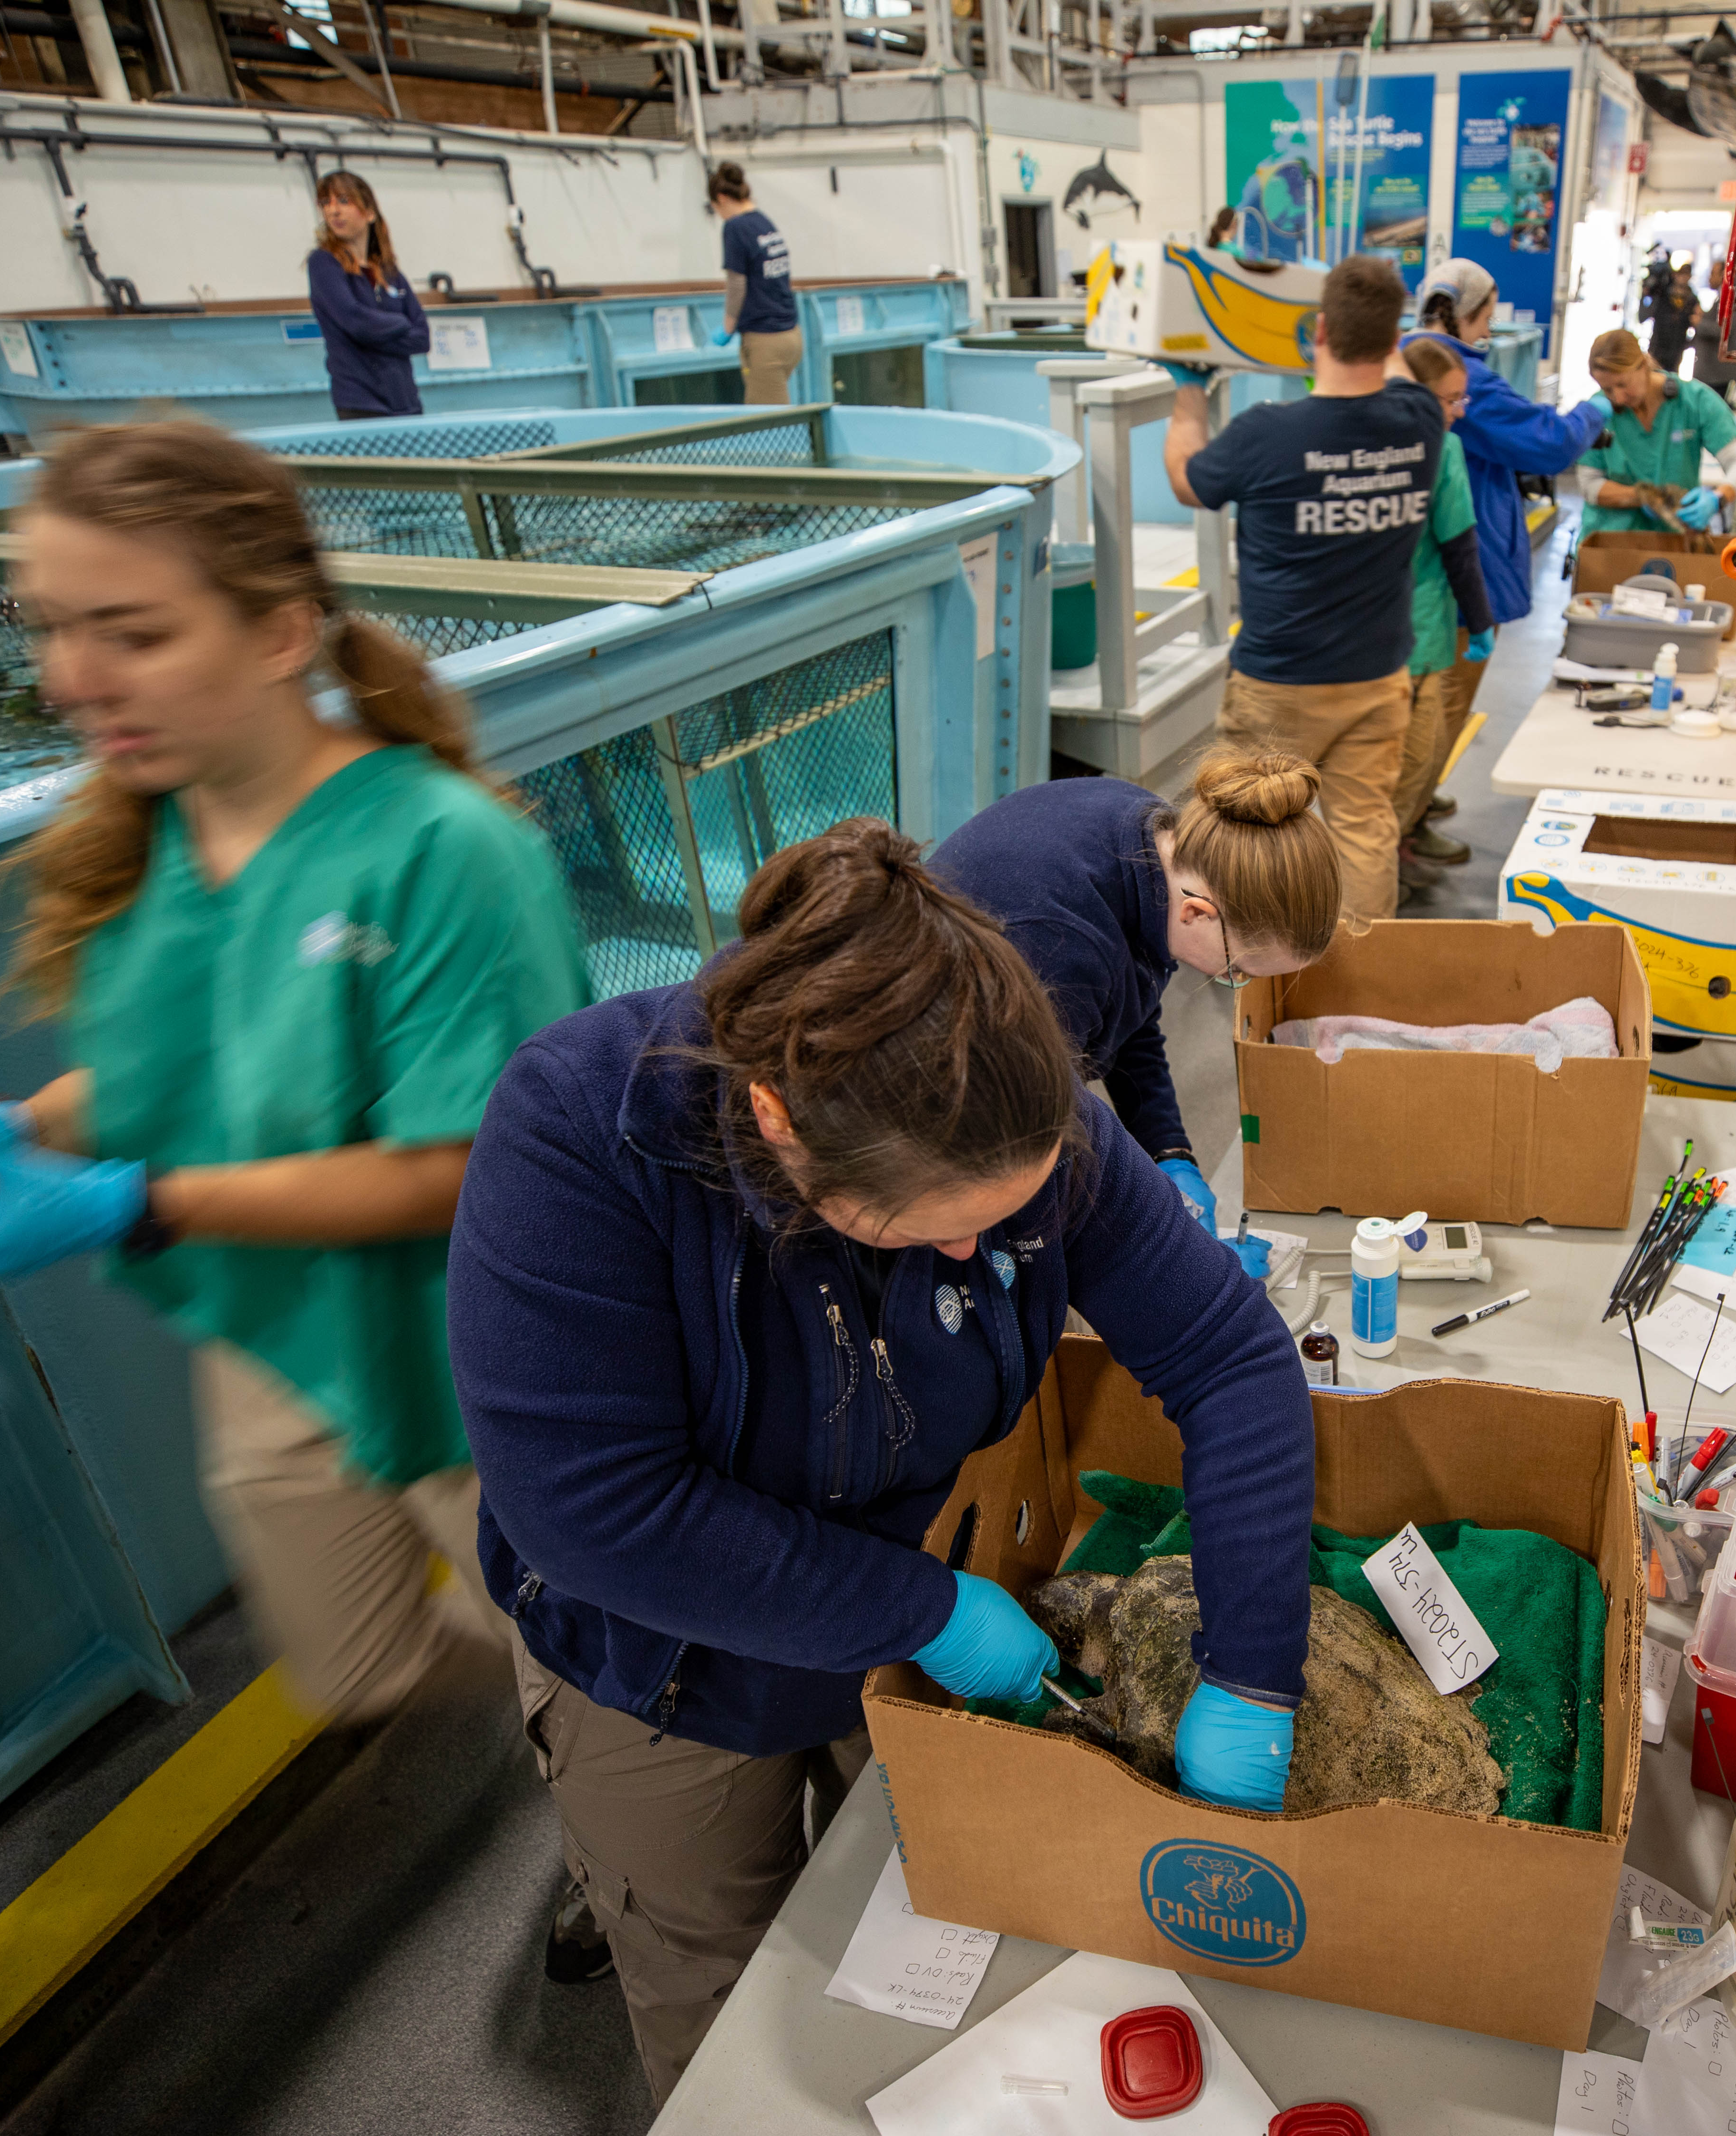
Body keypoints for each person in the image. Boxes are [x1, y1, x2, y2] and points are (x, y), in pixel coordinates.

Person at [0, 421, 597, 1948]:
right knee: (348, 1660)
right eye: (51, 629)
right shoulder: (151, 826)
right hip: (279, 1329)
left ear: (280, 630)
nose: (72, 678)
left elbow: (465, 1163)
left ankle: (606, 1788)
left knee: (570, 1642)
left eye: (129, 631)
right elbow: (187, 1061)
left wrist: (135, 1204)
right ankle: (581, 1714)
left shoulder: (443, 850)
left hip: (480, 1354)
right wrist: (13, 1130)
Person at [446, 822, 1316, 2100]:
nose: (982, 1261)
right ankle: (613, 1889)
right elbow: (595, 1512)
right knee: (724, 1988)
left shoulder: (1028, 1114)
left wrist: (1255, 1673)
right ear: (776, 1129)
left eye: (1013, 1221)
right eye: (938, 1235)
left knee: (940, 1946)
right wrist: (921, 1610)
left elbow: (1233, 1364)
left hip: (906, 1573)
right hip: (668, 1653)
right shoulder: (578, 1135)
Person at [927, 753, 1340, 1228]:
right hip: (937, 1094)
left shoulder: (1158, 842)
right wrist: (1182, 1250)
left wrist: (1170, 1151)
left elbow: (1130, 1011)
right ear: (1197, 914)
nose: (1235, 981)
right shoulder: (1060, 948)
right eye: (1236, 970)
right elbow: (1043, 1134)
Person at [1162, 254, 1450, 926]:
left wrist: (1189, 391)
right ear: (1390, 338)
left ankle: (1244, 956)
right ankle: (1358, 966)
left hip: (1281, 682)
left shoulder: (1266, 434)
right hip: (1377, 679)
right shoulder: (1420, 420)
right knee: (1364, 831)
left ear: (1316, 331)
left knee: (1246, 834)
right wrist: (1379, 327)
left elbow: (1186, 480)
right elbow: (1400, 365)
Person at [1405, 257, 1608, 661]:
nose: (1488, 331)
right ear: (1463, 315)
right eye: (1486, 318)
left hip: (1411, 572)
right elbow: (1548, 443)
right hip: (1462, 577)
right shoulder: (1463, 378)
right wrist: (1596, 409)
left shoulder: (1398, 361)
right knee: (1443, 711)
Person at [1389, 338, 1497, 897]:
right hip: (1422, 638)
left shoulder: (1369, 443)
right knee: (1417, 761)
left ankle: (1390, 851)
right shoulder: (1443, 451)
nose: (1461, 410)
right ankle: (1382, 866)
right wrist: (1480, 623)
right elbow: (1459, 546)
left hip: (1368, 639)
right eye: (1452, 399)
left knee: (1378, 768)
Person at [1576, 326, 1736, 538]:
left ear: (1643, 364)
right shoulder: (1598, 411)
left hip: (1673, 539)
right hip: (1608, 538)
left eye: (1622, 384)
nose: (1618, 398)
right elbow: (1589, 484)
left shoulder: (1695, 401)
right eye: (1607, 389)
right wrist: (1644, 498)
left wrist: (1718, 498)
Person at [305, 172, 430, 421]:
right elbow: (355, 322)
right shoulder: (324, 264)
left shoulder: (391, 274)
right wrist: (401, 323)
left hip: (406, 402)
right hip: (361, 403)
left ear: (369, 212)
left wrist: (373, 333)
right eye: (326, 204)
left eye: (343, 201)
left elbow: (422, 338)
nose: (334, 211)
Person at [709, 162, 801, 406]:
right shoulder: (764, 222)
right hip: (790, 335)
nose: (720, 216)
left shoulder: (736, 227)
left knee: (768, 427)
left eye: (716, 209)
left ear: (722, 199)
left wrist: (727, 329)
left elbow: (737, 285)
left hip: (766, 341)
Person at [1643, 256, 1700, 374]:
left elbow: (1697, 323)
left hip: (1676, 349)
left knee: (1671, 380)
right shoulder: (1663, 294)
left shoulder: (1692, 300)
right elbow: (1645, 315)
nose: (1683, 278)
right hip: (1657, 345)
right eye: (1681, 274)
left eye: (1686, 275)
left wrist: (1688, 343)